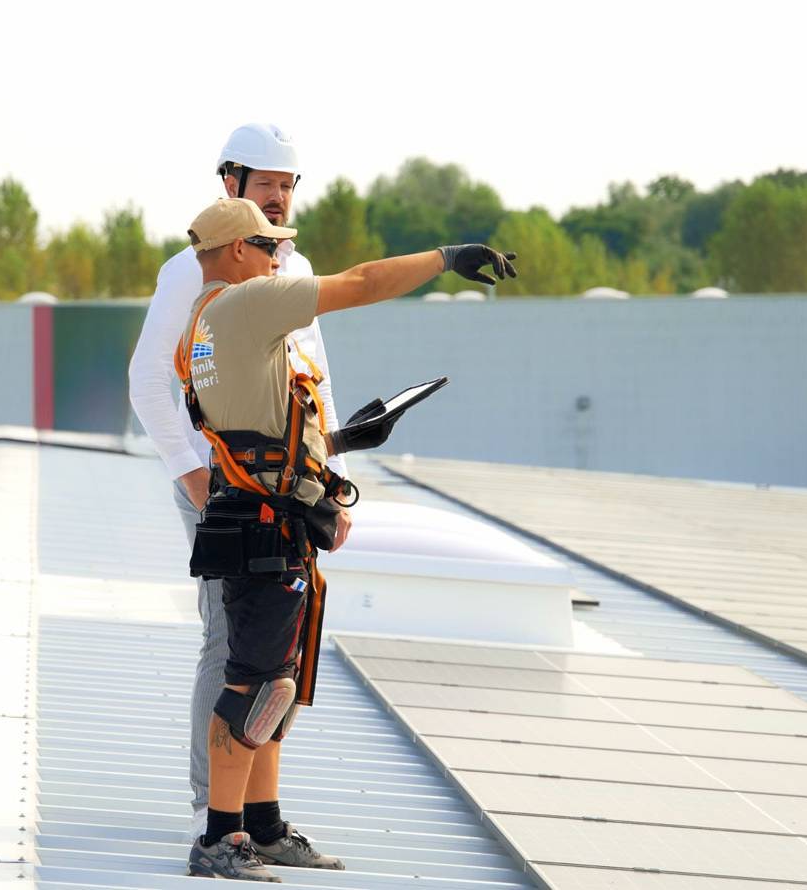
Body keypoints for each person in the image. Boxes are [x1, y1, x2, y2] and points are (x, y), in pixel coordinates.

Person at [177, 197, 516, 880]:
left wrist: (338, 440)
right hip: (266, 526)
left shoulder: (206, 326)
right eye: (269, 243)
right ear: (237, 249)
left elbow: (252, 431)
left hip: (266, 515)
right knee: (252, 684)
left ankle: (262, 824)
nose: (279, 254)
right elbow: (361, 283)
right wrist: (447, 258)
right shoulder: (246, 304)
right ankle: (219, 837)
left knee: (276, 681)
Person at [127, 124, 351, 848]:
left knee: (281, 653)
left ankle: (261, 818)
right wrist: (189, 471)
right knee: (231, 645)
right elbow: (145, 380)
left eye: (289, 185)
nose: (280, 198)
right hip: (223, 492)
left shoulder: (297, 267)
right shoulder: (190, 270)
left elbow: (316, 385)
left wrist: (337, 484)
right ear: (231, 184)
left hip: (292, 495)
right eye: (266, 185)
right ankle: (211, 815)